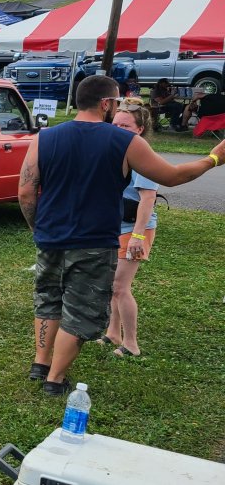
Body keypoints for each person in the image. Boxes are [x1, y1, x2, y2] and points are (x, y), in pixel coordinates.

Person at [18, 75, 225, 397]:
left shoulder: (43, 138)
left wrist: (39, 230)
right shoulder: (124, 142)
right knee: (82, 310)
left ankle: (40, 363)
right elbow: (172, 177)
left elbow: (26, 192)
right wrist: (214, 158)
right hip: (95, 243)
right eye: (115, 103)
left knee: (49, 301)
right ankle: (54, 379)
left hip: (51, 241)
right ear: (106, 103)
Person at [99, 97, 157, 358]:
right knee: (112, 285)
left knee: (121, 287)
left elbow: (148, 199)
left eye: (125, 126)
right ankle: (113, 333)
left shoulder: (142, 154)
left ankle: (131, 344)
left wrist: (136, 236)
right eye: (115, 124)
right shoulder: (117, 151)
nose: (117, 129)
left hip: (135, 229)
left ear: (139, 130)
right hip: (116, 225)